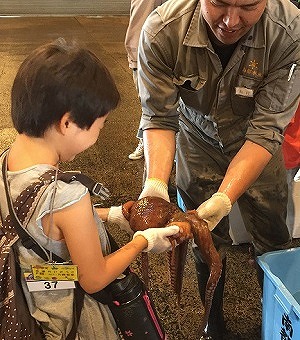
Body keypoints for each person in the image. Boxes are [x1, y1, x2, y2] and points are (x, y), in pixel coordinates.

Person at [132, 0, 300, 338]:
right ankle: (213, 314)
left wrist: (225, 198)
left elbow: (267, 129)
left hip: (255, 141)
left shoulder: (290, 32)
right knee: (202, 235)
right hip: (196, 138)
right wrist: (154, 185)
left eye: (248, 7)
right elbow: (159, 117)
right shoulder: (162, 31)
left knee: (273, 232)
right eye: (219, 3)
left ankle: (277, 313)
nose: (231, 20)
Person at [0, 39, 180, 339]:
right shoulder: (69, 197)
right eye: (101, 124)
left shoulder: (7, 160)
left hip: (31, 286)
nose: (101, 131)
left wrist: (108, 214)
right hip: (67, 319)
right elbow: (93, 279)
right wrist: (142, 242)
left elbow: (38, 222)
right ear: (68, 124)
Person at [125, 0, 167, 160]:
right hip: (137, 51)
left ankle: (154, 142)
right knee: (147, 102)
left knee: (161, 103)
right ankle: (146, 140)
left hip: (159, 50)